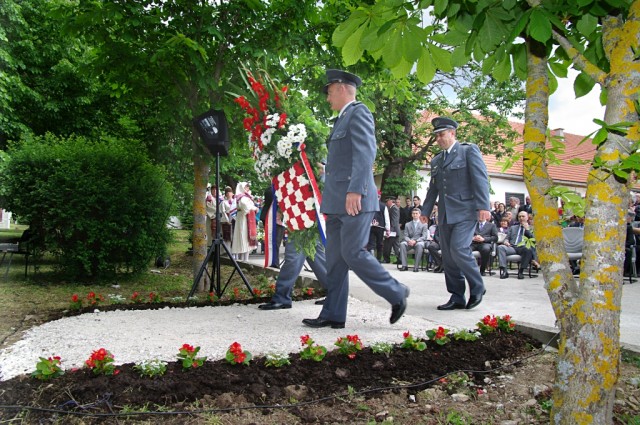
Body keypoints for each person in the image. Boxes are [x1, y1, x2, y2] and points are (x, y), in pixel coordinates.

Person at [302, 69, 409, 329]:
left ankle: (396, 292)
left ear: (341, 88)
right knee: (335, 261)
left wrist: (356, 190)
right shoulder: (340, 119)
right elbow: (343, 160)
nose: (328, 98)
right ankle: (333, 313)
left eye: (329, 92)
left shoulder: (358, 112)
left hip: (354, 200)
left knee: (353, 252)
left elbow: (365, 153)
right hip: (336, 201)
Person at [421, 116, 490, 310]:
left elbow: (480, 179)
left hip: (466, 211)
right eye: (436, 136)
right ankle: (457, 296)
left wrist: (483, 206)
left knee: (459, 249)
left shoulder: (468, 151)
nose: (438, 139)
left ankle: (477, 287)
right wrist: (426, 210)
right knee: (448, 257)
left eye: (441, 135)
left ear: (452, 133)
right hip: (445, 214)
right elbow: (433, 189)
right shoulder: (436, 160)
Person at [258, 237, 329, 310]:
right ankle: (334, 296)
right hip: (311, 231)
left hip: (299, 232)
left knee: (293, 259)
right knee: (318, 258)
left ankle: (281, 298)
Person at [497, 211, 535, 279]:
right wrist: (506, 241)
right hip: (512, 247)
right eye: (519, 216)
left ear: (527, 218)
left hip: (523, 248)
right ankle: (504, 271)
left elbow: (533, 240)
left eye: (523, 216)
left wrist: (527, 230)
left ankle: (521, 271)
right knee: (500, 247)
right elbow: (507, 238)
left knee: (528, 249)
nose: (521, 218)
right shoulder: (513, 227)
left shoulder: (532, 228)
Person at [231, 182, 259, 261]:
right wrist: (255, 208)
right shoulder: (242, 197)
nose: (248, 188)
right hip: (243, 218)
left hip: (246, 218)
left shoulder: (246, 197)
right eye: (246, 187)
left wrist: (253, 208)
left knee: (246, 238)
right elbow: (246, 206)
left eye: (248, 187)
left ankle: (245, 259)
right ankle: (243, 259)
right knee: (244, 236)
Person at [471, 210, 498, 276]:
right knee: (464, 249)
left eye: (483, 215)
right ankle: (469, 269)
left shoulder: (492, 225)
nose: (481, 216)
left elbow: (495, 238)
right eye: (480, 215)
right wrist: (473, 238)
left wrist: (484, 239)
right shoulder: (473, 225)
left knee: (486, 249)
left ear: (487, 216)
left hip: (485, 243)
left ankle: (482, 270)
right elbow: (467, 234)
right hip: (473, 243)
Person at [367, 191, 390, 262]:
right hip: (380, 226)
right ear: (379, 197)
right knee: (379, 243)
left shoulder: (369, 204)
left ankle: (371, 257)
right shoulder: (383, 206)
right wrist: (388, 229)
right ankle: (378, 258)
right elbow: (386, 218)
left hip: (371, 226)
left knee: (371, 242)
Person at [382, 196, 401, 264]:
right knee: (396, 246)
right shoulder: (392, 208)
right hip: (394, 231)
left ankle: (386, 259)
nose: (386, 203)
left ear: (390, 201)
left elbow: (394, 221)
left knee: (387, 245)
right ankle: (400, 259)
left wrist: (389, 231)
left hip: (393, 231)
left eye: (387, 201)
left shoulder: (394, 208)